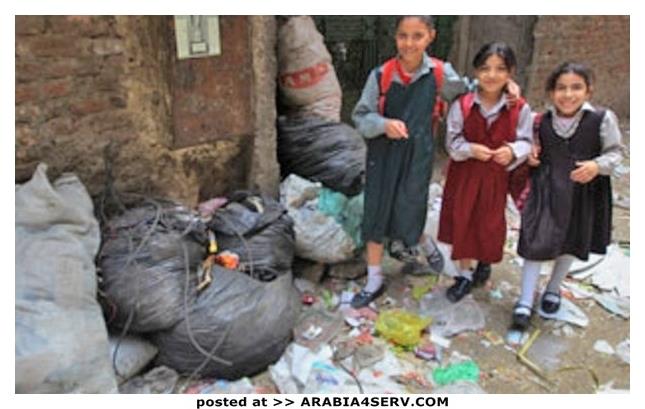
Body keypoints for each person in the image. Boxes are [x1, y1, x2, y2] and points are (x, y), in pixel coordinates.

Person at [351, 16, 486, 308]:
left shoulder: (440, 73)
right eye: (403, 35)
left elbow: (468, 93)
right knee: (375, 211)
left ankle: (423, 241)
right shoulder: (381, 75)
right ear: (395, 37)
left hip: (418, 154)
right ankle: (374, 278)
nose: (409, 43)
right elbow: (360, 116)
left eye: (417, 36)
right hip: (382, 155)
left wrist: (504, 88)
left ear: (430, 36)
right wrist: (383, 124)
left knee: (410, 205)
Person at [510, 62, 625, 330]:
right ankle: (525, 301)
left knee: (570, 242)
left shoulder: (602, 119)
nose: (568, 94)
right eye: (561, 88)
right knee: (534, 242)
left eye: (576, 87)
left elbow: (616, 152)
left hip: (581, 193)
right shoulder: (540, 121)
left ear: (588, 90)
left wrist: (597, 165)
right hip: (546, 190)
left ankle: (553, 289)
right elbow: (528, 145)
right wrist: (531, 155)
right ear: (551, 92)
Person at [438, 42, 533, 303]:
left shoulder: (519, 108)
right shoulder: (463, 105)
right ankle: (464, 275)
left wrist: (512, 151)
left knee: (489, 223)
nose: (492, 75)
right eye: (485, 68)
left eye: (500, 69)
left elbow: (527, 140)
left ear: (510, 73)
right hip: (465, 176)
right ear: (476, 72)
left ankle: (484, 261)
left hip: (495, 178)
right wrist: (469, 149)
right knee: (463, 220)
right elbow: (452, 142)